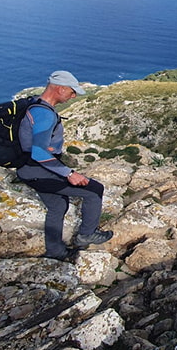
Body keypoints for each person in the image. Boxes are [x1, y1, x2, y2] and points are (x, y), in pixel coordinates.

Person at [16, 71, 112, 260]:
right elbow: (38, 152)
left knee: (58, 205)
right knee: (94, 190)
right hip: (38, 170)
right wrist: (69, 173)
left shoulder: (34, 104)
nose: (73, 96)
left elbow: (35, 145)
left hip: (27, 168)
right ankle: (86, 235)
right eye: (72, 92)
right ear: (60, 88)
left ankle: (55, 251)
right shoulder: (44, 114)